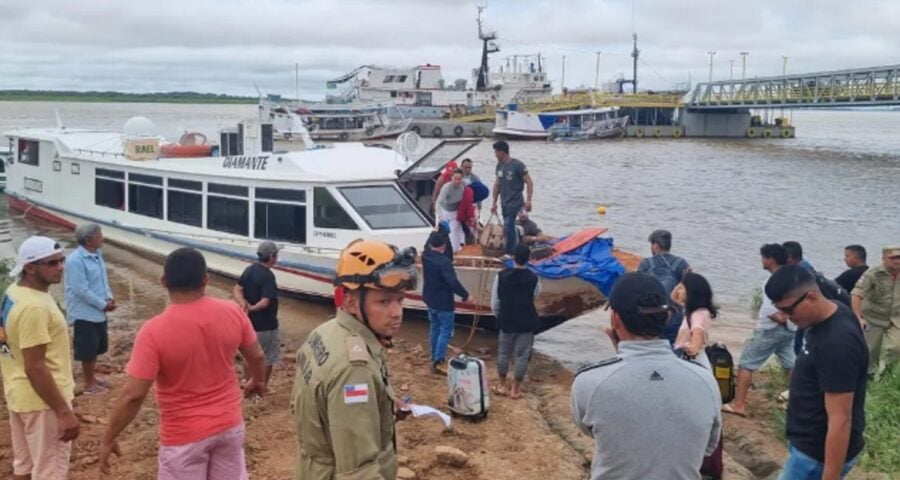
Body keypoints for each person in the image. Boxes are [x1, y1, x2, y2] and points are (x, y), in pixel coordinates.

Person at [99, 247, 266, 478]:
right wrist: (257, 381)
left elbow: (133, 395)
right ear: (205, 280)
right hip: (229, 425)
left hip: (184, 437)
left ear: (163, 281)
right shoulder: (232, 312)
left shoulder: (153, 331)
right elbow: (256, 355)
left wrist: (109, 437)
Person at [571, 272, 721, 480]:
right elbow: (707, 446)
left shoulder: (588, 382)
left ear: (615, 319)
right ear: (668, 316)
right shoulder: (706, 382)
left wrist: (621, 363)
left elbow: (590, 428)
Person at [290, 239, 417, 480]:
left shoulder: (326, 332)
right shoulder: (354, 369)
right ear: (349, 301)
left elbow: (325, 408)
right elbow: (358, 473)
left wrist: (382, 403)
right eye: (383, 301)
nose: (397, 312)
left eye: (399, 300)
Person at [767, 265, 868, 480]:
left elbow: (841, 419)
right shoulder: (831, 311)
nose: (785, 317)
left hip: (816, 457)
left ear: (811, 297)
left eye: (788, 310)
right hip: (807, 446)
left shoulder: (837, 344)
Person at [0, 236, 78, 480]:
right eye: (52, 263)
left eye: (61, 261)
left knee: (25, 466)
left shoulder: (14, 293)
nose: (60, 268)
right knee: (50, 472)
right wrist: (63, 411)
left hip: (19, 395)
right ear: (30, 268)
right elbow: (35, 367)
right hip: (43, 402)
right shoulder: (34, 308)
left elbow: (6, 345)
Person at [722, 244, 795, 417]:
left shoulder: (772, 281)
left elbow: (771, 311)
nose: (762, 261)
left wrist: (781, 319)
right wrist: (790, 320)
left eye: (763, 257)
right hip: (791, 329)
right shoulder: (793, 278)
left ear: (771, 259)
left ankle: (739, 405)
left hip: (769, 330)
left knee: (746, 364)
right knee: (792, 365)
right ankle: (796, 403)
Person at [64, 223, 117, 395]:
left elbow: (103, 279)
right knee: (87, 349)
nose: (103, 238)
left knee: (96, 347)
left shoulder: (97, 254)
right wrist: (103, 305)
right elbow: (81, 290)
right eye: (99, 235)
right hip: (84, 313)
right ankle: (88, 384)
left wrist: (109, 296)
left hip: (98, 310)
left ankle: (93, 379)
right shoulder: (75, 260)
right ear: (89, 240)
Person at [491, 243, 541, 399]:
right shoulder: (534, 278)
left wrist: (499, 315)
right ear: (529, 259)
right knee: (522, 355)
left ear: (513, 257)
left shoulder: (501, 276)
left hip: (507, 318)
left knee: (504, 353)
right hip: (526, 320)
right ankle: (515, 389)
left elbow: (495, 301)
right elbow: (536, 296)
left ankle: (502, 385)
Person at [234, 241, 282, 389]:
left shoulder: (250, 269)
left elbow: (237, 289)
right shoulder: (268, 276)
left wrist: (243, 305)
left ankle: (250, 384)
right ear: (272, 257)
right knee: (267, 358)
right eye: (276, 255)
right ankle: (261, 387)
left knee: (249, 356)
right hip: (266, 325)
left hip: (249, 324)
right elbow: (266, 301)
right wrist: (253, 308)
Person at [422, 233, 469, 373]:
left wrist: (435, 232)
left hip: (430, 298)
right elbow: (453, 282)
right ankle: (439, 360)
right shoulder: (444, 263)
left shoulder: (426, 255)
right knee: (445, 332)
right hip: (443, 301)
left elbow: (427, 245)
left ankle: (434, 355)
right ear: (443, 246)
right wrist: (465, 295)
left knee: (435, 327)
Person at [852, 245, 900, 376]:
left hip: (896, 318)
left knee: (897, 347)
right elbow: (857, 295)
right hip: (874, 317)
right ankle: (869, 377)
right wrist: (859, 317)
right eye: (893, 258)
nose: (897, 261)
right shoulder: (872, 274)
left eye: (899, 257)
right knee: (870, 352)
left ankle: (889, 374)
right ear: (884, 258)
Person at [637, 229, 691, 344]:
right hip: (675, 315)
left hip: (651, 316)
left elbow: (638, 291)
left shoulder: (646, 264)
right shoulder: (681, 264)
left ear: (655, 246)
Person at [490, 140, 534, 255]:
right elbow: (497, 184)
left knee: (508, 225)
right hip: (504, 202)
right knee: (509, 226)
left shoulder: (518, 165)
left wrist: (529, 200)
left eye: (496, 152)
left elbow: (529, 182)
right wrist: (494, 202)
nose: (495, 155)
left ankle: (511, 253)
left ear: (502, 152)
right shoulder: (499, 166)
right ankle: (516, 245)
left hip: (516, 202)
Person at [672, 272, 718, 370]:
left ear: (691, 293)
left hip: (692, 359)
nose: (678, 291)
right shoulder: (692, 310)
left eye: (681, 288)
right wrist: (684, 280)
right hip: (690, 357)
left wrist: (693, 348)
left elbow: (698, 331)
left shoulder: (698, 314)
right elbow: (673, 297)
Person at [784, 240, 815, 354]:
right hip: (808, 312)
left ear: (789, 257)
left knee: (801, 344)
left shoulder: (801, 270)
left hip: (808, 313)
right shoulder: (805, 266)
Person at [435, 168, 467, 252]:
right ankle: (447, 249)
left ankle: (454, 249)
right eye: (455, 179)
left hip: (456, 211)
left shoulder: (463, 185)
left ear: (462, 178)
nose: (457, 181)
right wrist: (439, 215)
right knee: (446, 231)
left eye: (459, 179)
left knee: (454, 230)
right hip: (445, 211)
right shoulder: (446, 188)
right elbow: (439, 202)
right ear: (451, 178)